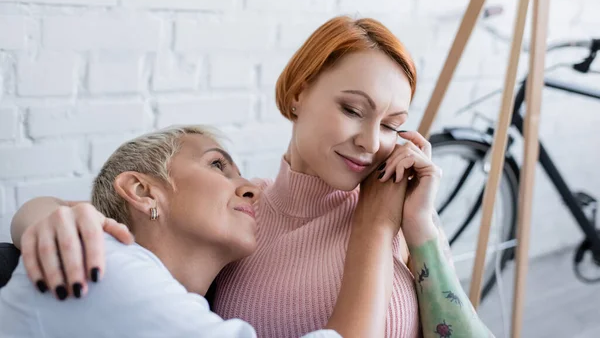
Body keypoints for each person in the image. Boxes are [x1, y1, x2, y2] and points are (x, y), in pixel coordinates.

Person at [10, 16, 494, 337]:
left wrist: (421, 228)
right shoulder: (239, 224)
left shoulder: (397, 210)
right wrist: (44, 214)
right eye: (352, 109)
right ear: (300, 93)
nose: (372, 142)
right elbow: (123, 229)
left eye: (392, 124)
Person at [1, 125, 413, 338]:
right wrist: (375, 222)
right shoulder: (106, 266)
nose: (250, 186)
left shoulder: (180, 302)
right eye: (217, 165)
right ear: (143, 191)